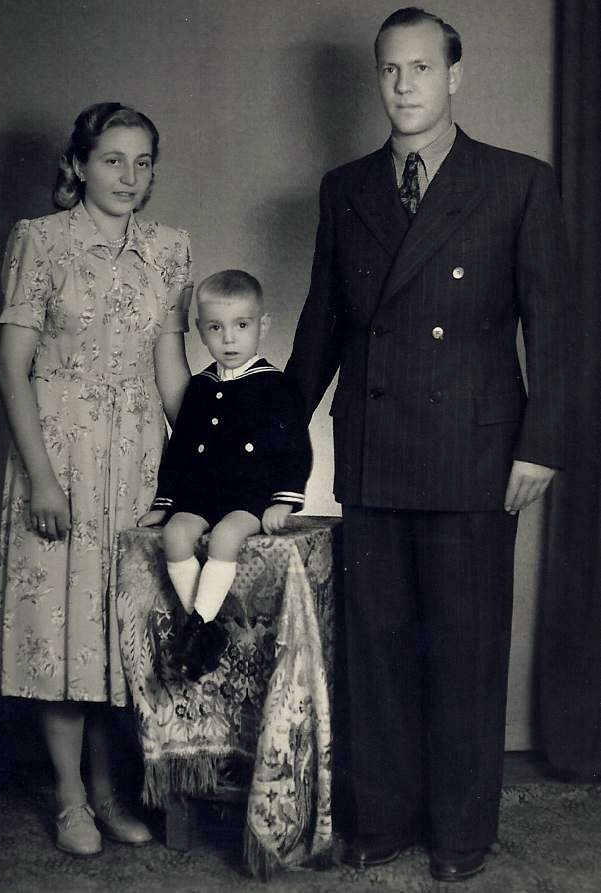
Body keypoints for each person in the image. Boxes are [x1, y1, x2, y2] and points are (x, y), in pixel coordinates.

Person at [285, 7, 568, 883]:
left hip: (476, 450)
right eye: (387, 70)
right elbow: (321, 326)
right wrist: (266, 442)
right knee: (375, 647)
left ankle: (459, 831)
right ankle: (384, 818)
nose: (402, 85)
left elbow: (554, 327)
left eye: (419, 67)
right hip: (370, 447)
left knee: (463, 647)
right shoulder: (347, 186)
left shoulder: (516, 182)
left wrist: (541, 443)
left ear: (455, 77)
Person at [0, 102, 192, 856]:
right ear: (78, 165)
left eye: (142, 162)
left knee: (118, 633)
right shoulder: (39, 242)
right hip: (60, 456)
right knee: (62, 630)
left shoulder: (168, 249)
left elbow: (171, 374)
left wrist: (201, 465)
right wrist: (42, 479)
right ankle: (71, 796)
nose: (128, 177)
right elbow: (12, 369)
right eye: (112, 159)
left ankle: (111, 792)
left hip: (139, 460)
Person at [139, 269, 312, 680]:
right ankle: (205, 628)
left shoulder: (276, 387)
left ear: (262, 327)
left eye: (242, 326)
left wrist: (283, 499)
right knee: (176, 536)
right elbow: (179, 451)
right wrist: (164, 505)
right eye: (216, 328)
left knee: (225, 537)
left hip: (249, 496)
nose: (229, 339)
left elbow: (294, 449)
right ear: (200, 330)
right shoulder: (199, 387)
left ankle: (196, 629)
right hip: (200, 495)